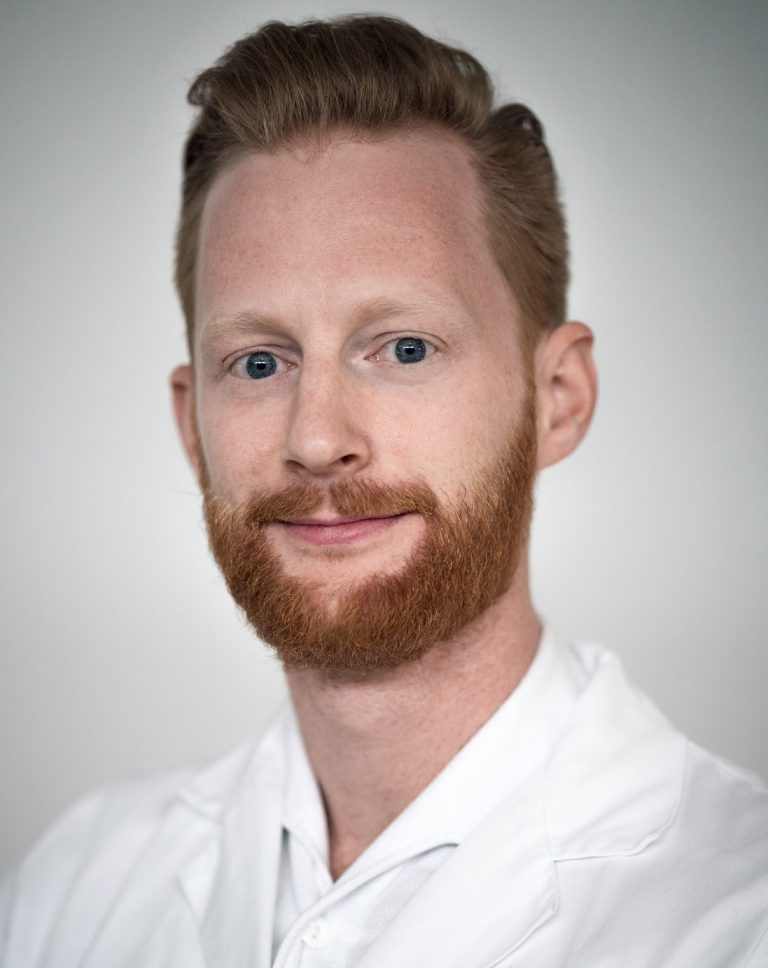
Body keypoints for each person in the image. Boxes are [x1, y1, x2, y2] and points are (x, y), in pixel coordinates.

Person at [1, 14, 766, 968]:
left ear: (557, 398)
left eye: (404, 348)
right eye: (259, 362)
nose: (317, 440)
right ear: (192, 425)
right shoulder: (76, 883)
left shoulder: (738, 920)